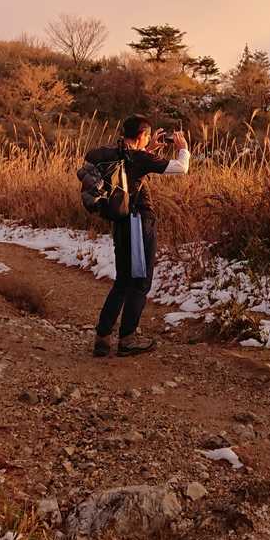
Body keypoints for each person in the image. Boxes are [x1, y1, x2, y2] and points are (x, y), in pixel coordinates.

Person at [86, 114, 190, 357]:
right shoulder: (140, 158)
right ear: (142, 135)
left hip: (121, 222)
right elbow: (181, 168)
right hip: (139, 222)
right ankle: (127, 339)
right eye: (148, 136)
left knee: (123, 281)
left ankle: (102, 338)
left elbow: (131, 172)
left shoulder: (115, 153)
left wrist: (149, 149)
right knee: (141, 282)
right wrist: (183, 148)